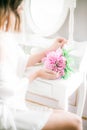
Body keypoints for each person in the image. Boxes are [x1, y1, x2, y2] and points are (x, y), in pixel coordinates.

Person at [0, 0, 82, 130]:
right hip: (6, 114)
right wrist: (36, 74)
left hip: (12, 105)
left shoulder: (5, 35)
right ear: (5, 10)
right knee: (75, 122)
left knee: (62, 114)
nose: (21, 11)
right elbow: (11, 91)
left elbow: (22, 61)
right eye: (19, 7)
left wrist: (47, 50)